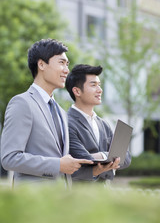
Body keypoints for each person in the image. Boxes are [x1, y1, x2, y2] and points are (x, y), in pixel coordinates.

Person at [0, 39, 93, 186]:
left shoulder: (61, 112)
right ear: (41, 64)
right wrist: (57, 165)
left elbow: (64, 165)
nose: (67, 70)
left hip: (60, 202)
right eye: (61, 63)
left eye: (67, 64)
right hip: (33, 202)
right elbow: (9, 158)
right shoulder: (22, 103)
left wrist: (97, 168)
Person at [65, 64, 131, 183]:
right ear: (77, 91)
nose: (100, 90)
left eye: (99, 85)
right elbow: (85, 160)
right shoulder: (66, 122)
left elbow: (126, 158)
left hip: (104, 194)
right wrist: (111, 157)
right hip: (78, 195)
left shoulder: (103, 124)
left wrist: (100, 156)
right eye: (93, 85)